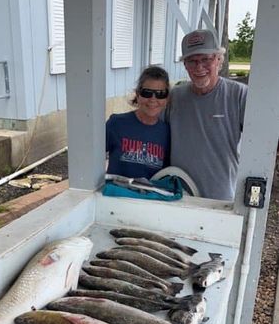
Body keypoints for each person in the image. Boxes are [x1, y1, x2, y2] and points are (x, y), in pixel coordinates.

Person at [167, 29, 248, 201]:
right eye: (192, 61)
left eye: (206, 59)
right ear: (185, 65)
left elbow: (261, 142)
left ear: (219, 60)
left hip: (220, 197)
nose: (199, 67)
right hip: (179, 194)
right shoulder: (175, 96)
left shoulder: (239, 94)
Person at [106, 65, 170, 179]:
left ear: (167, 98)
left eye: (160, 94)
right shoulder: (116, 124)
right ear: (138, 94)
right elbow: (91, 157)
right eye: (147, 93)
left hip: (150, 196)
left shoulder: (167, 133)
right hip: (116, 195)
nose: (153, 99)